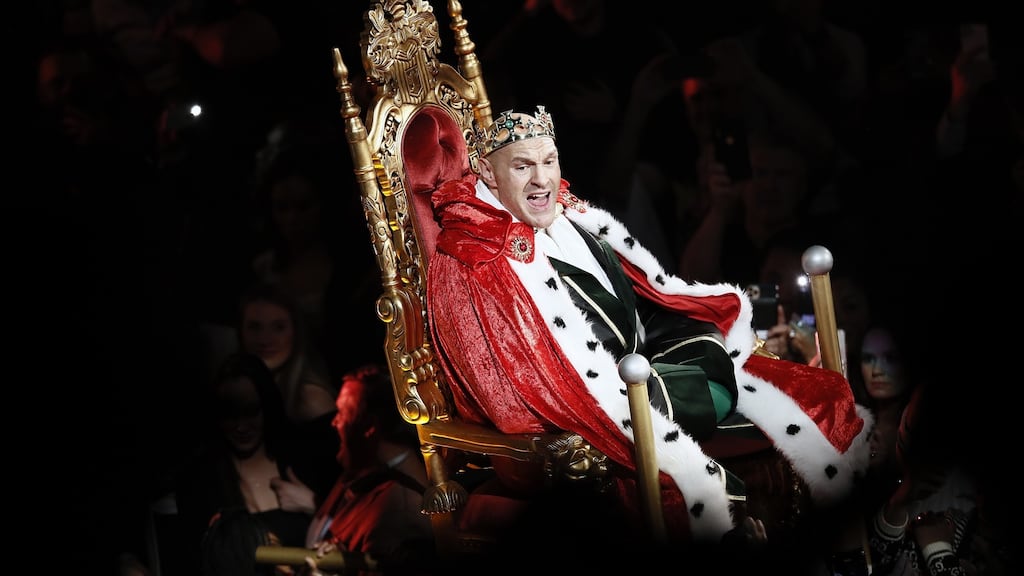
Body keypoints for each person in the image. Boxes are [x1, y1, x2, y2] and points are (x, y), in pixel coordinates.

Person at [425, 106, 872, 551]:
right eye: (522, 167)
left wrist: (699, 339)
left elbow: (643, 307)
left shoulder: (570, 218)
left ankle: (849, 552)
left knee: (815, 393)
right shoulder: (473, 260)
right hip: (600, 408)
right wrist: (666, 380)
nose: (542, 180)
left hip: (645, 369)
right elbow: (524, 389)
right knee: (713, 385)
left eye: (549, 161)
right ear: (488, 172)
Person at [175, 352, 320, 573]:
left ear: (267, 406)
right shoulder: (201, 479)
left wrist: (313, 505)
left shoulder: (300, 458)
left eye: (251, 411)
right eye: (230, 414)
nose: (241, 426)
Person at [303, 364, 435, 575]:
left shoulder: (402, 508)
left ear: (369, 426)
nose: (335, 422)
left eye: (343, 413)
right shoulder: (359, 474)